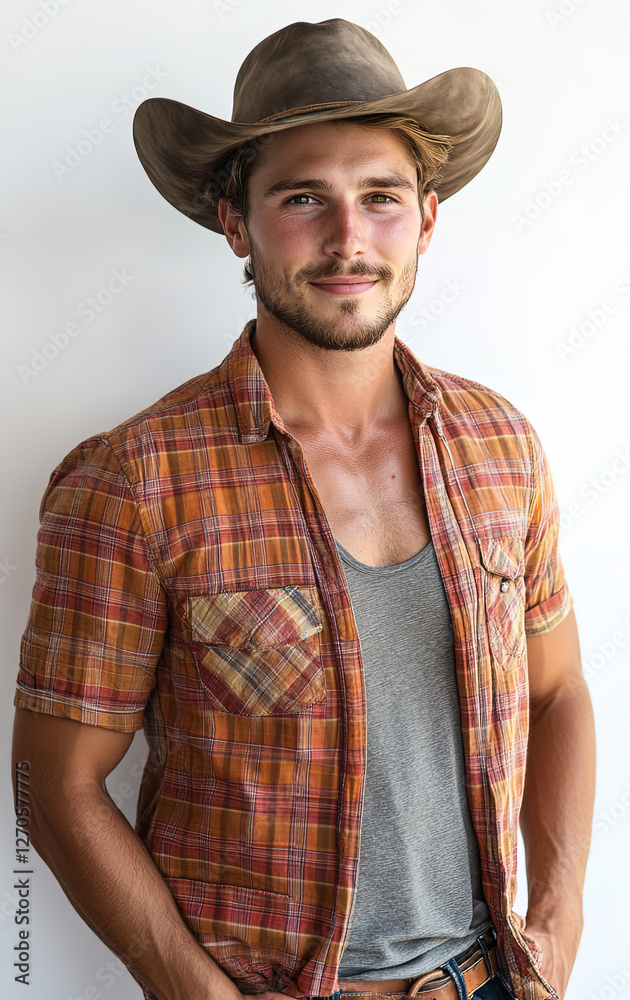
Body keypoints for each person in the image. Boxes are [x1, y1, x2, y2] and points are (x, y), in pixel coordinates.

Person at [12, 18, 595, 1000]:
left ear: (426, 220)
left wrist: (559, 922)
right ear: (235, 224)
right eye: (302, 198)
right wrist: (190, 988)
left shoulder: (501, 447)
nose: (348, 238)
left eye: (380, 197)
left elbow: (557, 690)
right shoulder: (134, 480)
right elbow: (52, 780)